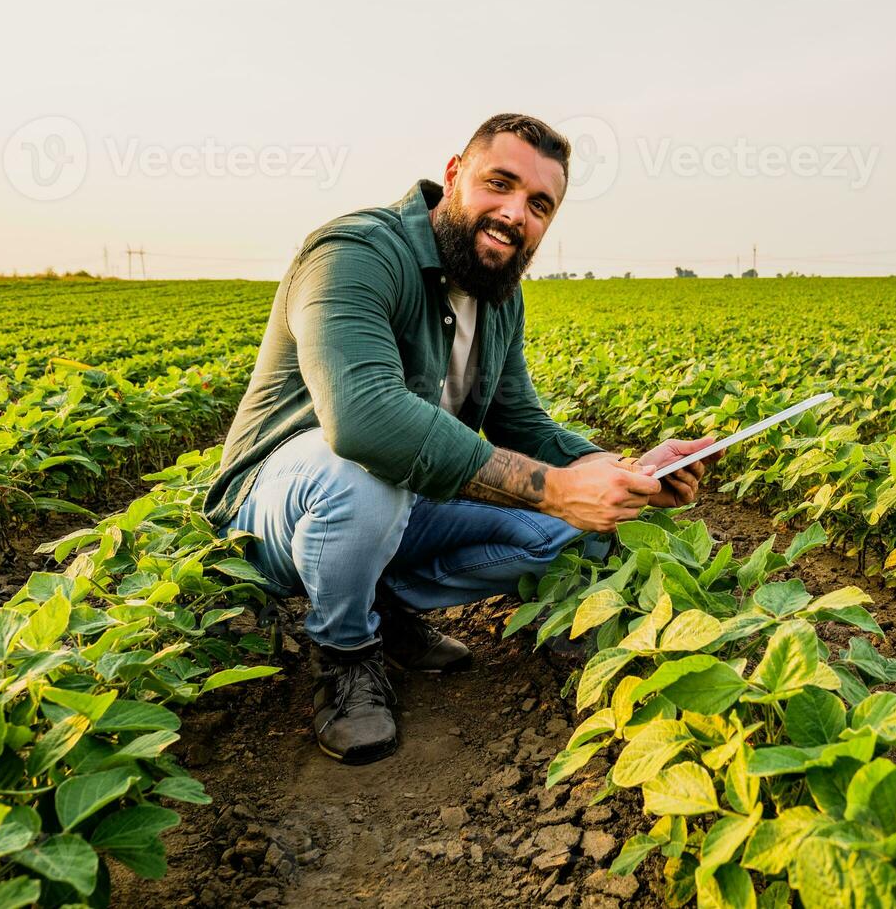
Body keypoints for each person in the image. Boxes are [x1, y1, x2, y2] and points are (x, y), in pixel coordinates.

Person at [203, 113, 714, 764]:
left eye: (538, 205)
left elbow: (520, 426)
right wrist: (553, 488)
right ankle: (347, 654)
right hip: (280, 504)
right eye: (499, 183)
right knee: (363, 474)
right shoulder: (353, 253)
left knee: (582, 528)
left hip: (400, 502)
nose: (514, 214)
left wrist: (625, 470)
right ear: (453, 176)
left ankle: (380, 606)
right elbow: (363, 421)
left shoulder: (498, 296)